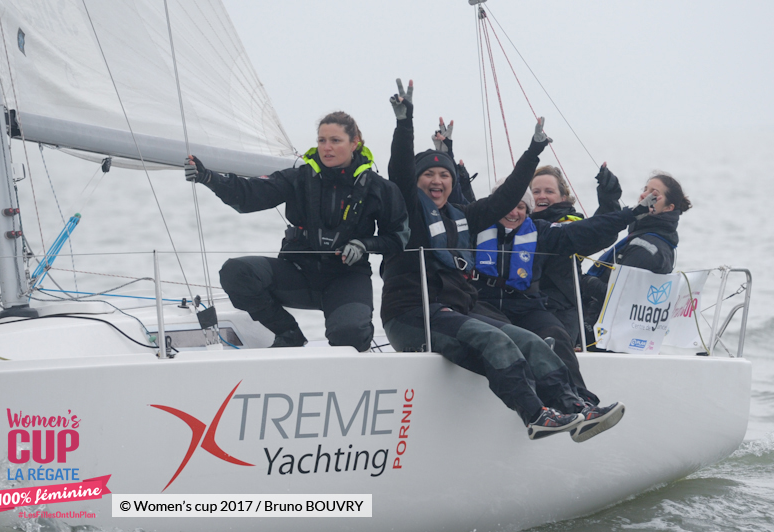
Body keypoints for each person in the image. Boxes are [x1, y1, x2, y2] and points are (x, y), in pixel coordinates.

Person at [381, 78, 624, 442]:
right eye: (428, 174)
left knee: (531, 340)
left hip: (453, 313)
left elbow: (507, 196)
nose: (437, 180)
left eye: (444, 174)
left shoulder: (463, 216)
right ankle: (535, 415)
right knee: (496, 339)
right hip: (412, 316)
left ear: (452, 182)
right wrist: (405, 123)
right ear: (416, 181)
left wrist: (533, 151)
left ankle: (576, 408)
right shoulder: (407, 211)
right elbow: (400, 171)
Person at [185, 111, 410, 351]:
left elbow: (398, 238)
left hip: (346, 277)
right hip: (298, 273)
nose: (327, 147)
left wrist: (365, 245)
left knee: (351, 335)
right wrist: (209, 178)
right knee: (236, 272)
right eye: (322, 140)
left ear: (354, 143)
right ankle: (288, 334)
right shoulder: (299, 178)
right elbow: (249, 195)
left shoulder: (379, 188)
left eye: (335, 140)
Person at [471, 183, 651, 404]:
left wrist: (631, 213)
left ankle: (580, 402)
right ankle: (539, 405)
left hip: (525, 305)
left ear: (528, 210)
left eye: (520, 207)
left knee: (557, 334)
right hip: (483, 304)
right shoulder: (474, 226)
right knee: (513, 335)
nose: (513, 212)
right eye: (507, 205)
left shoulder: (541, 231)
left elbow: (589, 228)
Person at [581, 173, 692, 334]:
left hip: (603, 332)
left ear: (669, 208)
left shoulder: (646, 247)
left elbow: (619, 296)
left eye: (654, 193)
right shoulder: (654, 238)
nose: (644, 195)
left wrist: (584, 280)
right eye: (645, 189)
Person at [529, 164, 622, 345]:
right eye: (536, 191)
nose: (542, 196)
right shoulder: (516, 224)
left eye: (549, 191)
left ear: (563, 197)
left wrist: (608, 197)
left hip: (562, 312)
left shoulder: (572, 227)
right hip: (524, 308)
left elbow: (602, 231)